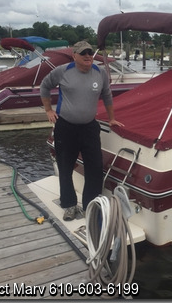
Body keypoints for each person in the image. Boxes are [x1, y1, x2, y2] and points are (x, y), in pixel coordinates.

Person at [40, 41, 123, 221]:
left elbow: (107, 96)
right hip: (66, 127)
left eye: (90, 52)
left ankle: (90, 206)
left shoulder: (100, 72)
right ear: (74, 55)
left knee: (95, 168)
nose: (88, 56)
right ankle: (69, 205)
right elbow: (44, 87)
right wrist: (48, 110)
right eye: (83, 53)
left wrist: (111, 119)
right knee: (65, 167)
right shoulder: (63, 71)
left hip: (89, 127)